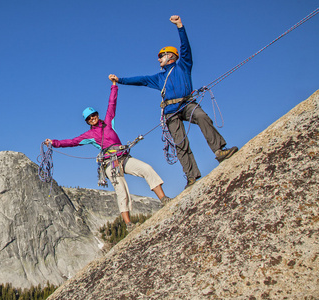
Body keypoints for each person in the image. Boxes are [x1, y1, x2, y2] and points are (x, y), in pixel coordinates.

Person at [109, 15, 238, 189]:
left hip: (187, 104)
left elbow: (186, 48)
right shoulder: (159, 77)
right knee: (180, 142)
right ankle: (191, 176)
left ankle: (219, 151)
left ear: (171, 56)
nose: (158, 59)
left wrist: (180, 26)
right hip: (170, 111)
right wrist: (121, 80)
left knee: (202, 116)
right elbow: (141, 80)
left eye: (161, 56)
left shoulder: (183, 65)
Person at [44, 78, 170, 231]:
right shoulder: (88, 135)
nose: (92, 119)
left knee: (146, 168)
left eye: (93, 115)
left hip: (123, 158)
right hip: (110, 163)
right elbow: (72, 141)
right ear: (87, 121)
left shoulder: (109, 122)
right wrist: (54, 142)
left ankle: (163, 199)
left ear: (97, 114)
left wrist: (114, 86)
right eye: (89, 118)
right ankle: (129, 224)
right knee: (121, 191)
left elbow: (112, 104)